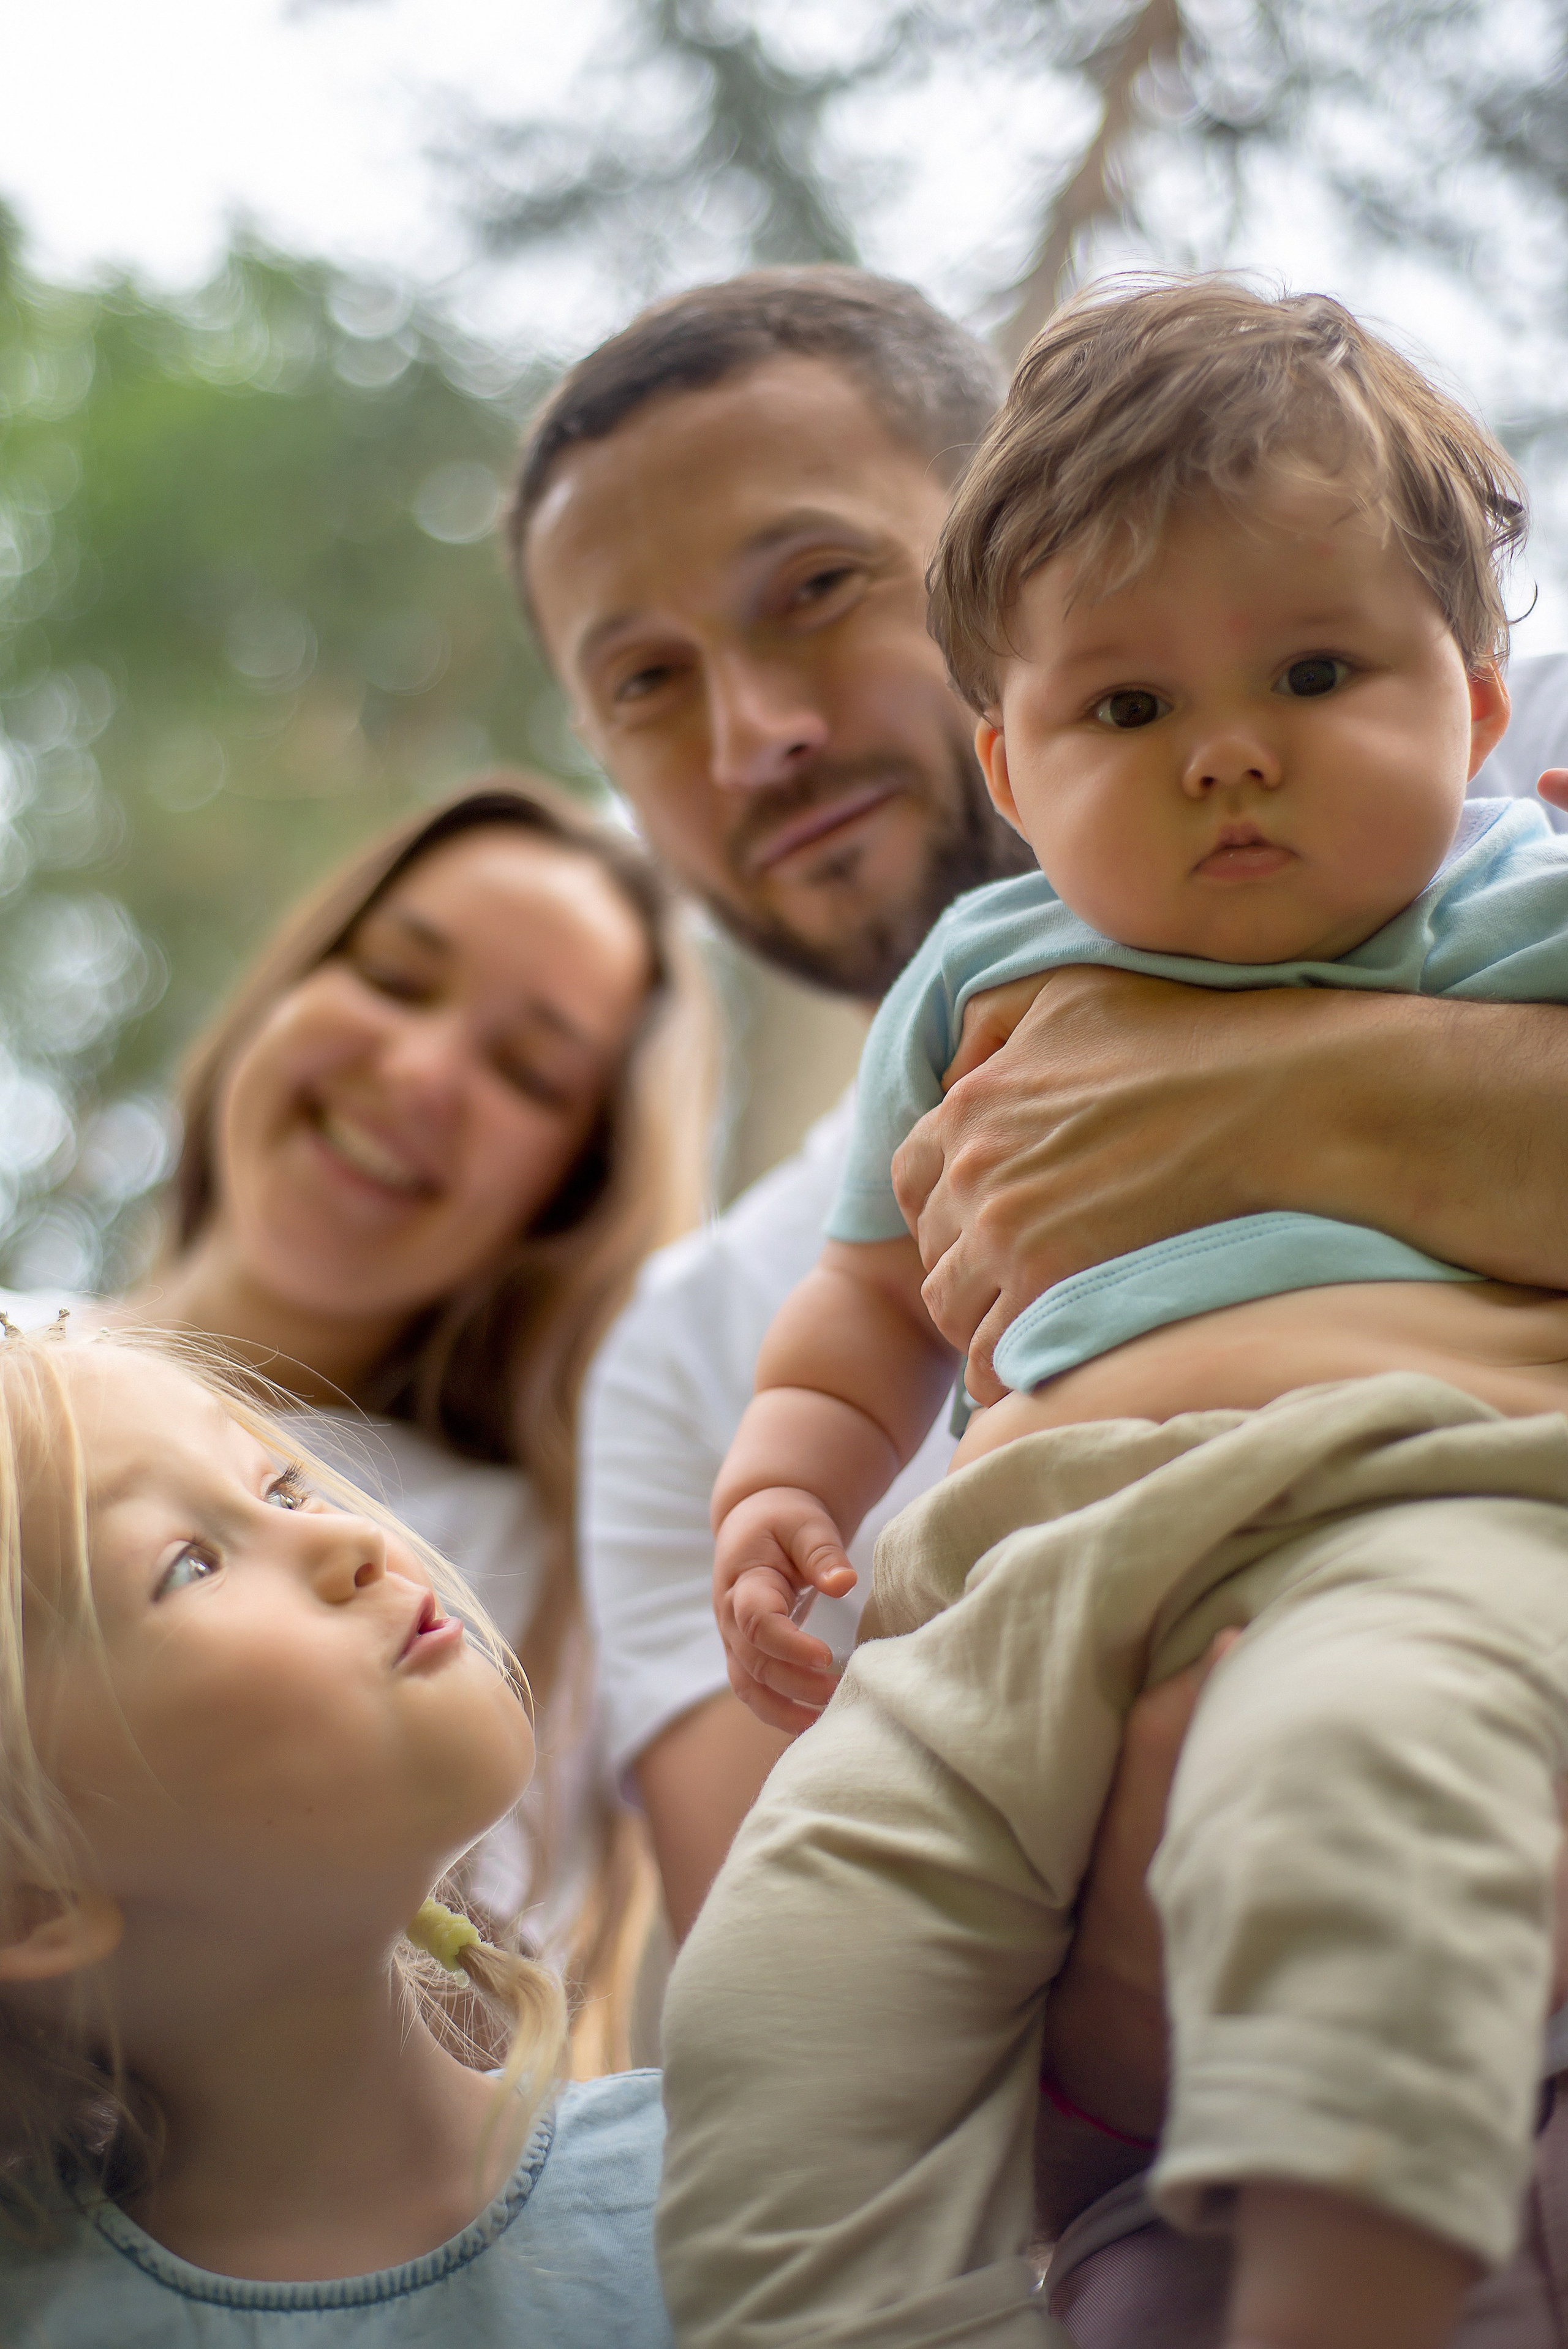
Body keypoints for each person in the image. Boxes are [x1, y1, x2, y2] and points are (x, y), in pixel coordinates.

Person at [664, 281, 1568, 2349]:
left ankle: (1345, 2305)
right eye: (1128, 711)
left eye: (1317, 668)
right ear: (1011, 755)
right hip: (1004, 1591)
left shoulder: (1521, 909)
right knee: (773, 1984)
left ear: (1479, 702)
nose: (1229, 748)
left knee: (1354, 1797)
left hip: (1421, 1514)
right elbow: (860, 1316)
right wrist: (781, 1485)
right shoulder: (981, 980)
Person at [1, 776, 706, 2061]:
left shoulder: (535, 1578)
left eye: (527, 1070)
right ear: (285, 987)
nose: (420, 1071)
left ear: (571, 1189)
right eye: (392, 976)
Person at [0, 1318, 673, 2347]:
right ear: (31, 1898)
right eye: (190, 1566)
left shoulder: (728, 2192)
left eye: (281, 1490)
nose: (352, 1538)